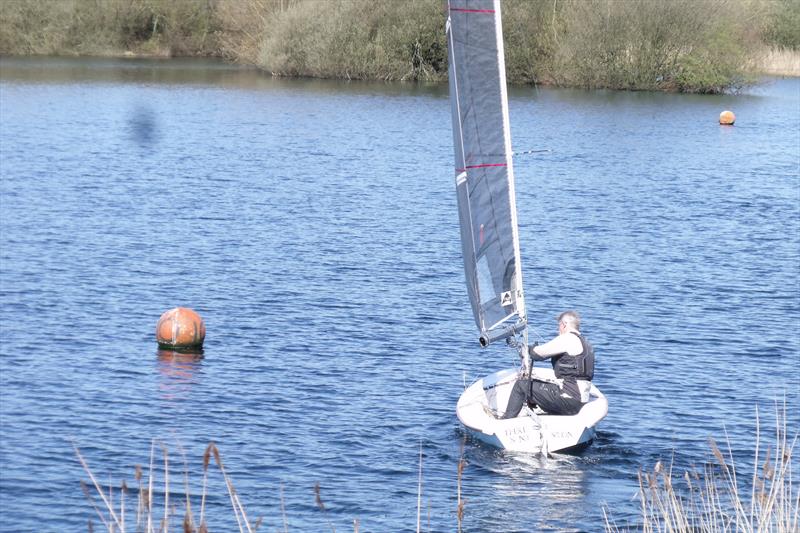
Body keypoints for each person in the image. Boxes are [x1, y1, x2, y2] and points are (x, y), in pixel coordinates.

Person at [501, 310, 595, 418]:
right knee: (538, 388)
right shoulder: (586, 342)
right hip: (581, 400)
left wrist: (527, 348)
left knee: (521, 385)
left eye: (558, 326)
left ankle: (506, 420)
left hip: (569, 398)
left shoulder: (568, 338)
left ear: (564, 325)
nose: (558, 329)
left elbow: (537, 354)